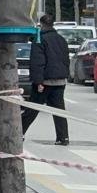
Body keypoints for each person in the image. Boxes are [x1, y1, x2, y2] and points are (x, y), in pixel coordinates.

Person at [22, 14, 71, 145]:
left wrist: (39, 81)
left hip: (45, 81)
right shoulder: (61, 39)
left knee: (32, 108)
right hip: (60, 80)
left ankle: (19, 131)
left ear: (41, 24)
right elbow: (66, 59)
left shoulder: (40, 40)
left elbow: (38, 62)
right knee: (59, 111)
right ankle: (63, 137)